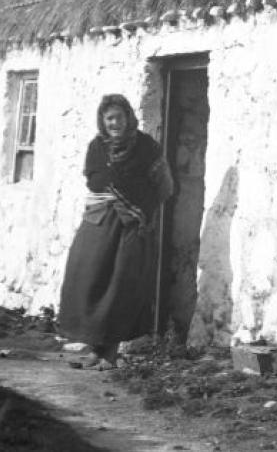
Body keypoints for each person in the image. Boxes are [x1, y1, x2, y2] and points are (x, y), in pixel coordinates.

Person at [58, 94, 174, 370]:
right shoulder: (97, 147)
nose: (114, 123)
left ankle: (110, 354)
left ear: (128, 117)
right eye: (109, 118)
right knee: (87, 277)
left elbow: (166, 187)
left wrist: (141, 211)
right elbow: (93, 179)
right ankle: (96, 349)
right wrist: (112, 186)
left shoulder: (147, 148)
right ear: (102, 120)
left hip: (131, 226)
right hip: (99, 221)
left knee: (119, 286)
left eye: (119, 117)